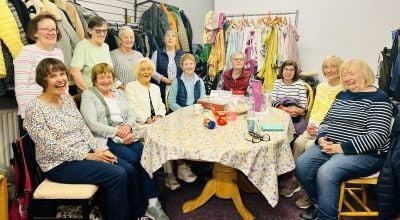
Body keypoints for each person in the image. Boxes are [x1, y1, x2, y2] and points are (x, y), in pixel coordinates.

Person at [24, 58, 140, 220]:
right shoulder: (34, 109)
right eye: (53, 76)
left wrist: (99, 149)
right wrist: (88, 155)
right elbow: (49, 146)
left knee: (128, 168)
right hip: (59, 164)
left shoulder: (66, 100)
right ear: (43, 81)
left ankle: (136, 215)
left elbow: (83, 129)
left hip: (84, 152)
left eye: (62, 74)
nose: (60, 79)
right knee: (117, 174)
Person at [295, 59, 393, 220]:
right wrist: (321, 139)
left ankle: (327, 217)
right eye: (344, 74)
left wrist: (341, 148)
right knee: (302, 165)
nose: (347, 78)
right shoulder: (342, 94)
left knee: (326, 172)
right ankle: (319, 204)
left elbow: (378, 136)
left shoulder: (379, 98)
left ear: (365, 75)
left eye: (352, 73)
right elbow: (327, 121)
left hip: (367, 154)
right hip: (331, 146)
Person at [80, 63, 169, 220]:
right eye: (101, 77)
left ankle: (153, 203)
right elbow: (91, 124)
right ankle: (140, 204)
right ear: (94, 80)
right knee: (134, 160)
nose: (106, 80)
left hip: (126, 133)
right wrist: (117, 131)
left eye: (109, 76)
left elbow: (131, 114)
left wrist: (127, 126)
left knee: (146, 155)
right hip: (105, 138)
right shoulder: (89, 95)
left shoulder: (119, 93)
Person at [279, 55, 344, 209]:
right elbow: (316, 109)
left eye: (333, 66)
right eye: (326, 67)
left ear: (340, 68)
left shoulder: (345, 88)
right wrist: (312, 124)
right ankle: (296, 179)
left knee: (309, 147)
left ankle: (308, 192)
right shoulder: (321, 87)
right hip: (316, 127)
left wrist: (321, 127)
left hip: (331, 131)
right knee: (299, 143)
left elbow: (338, 115)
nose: (329, 70)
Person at [125, 58, 197, 190]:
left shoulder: (155, 88)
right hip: (140, 125)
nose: (147, 72)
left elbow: (161, 106)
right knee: (164, 136)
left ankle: (180, 166)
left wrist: (159, 116)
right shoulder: (131, 87)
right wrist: (147, 119)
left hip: (158, 122)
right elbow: (132, 108)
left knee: (176, 130)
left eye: (149, 69)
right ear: (137, 71)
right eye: (143, 69)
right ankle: (170, 174)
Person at [14, 12, 64, 134]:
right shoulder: (27, 52)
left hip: (56, 113)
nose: (51, 32)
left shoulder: (59, 53)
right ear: (35, 33)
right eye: (45, 29)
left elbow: (62, 85)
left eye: (53, 29)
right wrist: (28, 116)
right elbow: (21, 88)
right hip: (36, 114)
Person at [70, 16, 113, 92]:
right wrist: (89, 93)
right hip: (90, 93)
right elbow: (74, 71)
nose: (102, 34)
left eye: (104, 31)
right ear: (90, 31)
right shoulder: (82, 46)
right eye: (98, 31)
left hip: (106, 91)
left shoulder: (106, 46)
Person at [271, 60, 308, 136]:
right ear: (282, 71)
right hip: (280, 112)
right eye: (286, 69)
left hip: (295, 115)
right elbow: (272, 101)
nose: (288, 72)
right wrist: (285, 109)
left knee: (298, 129)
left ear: (295, 72)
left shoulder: (300, 84)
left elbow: (304, 106)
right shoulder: (277, 83)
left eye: (292, 70)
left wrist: (297, 111)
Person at [151, 29, 185, 102]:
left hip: (179, 90)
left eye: (173, 36)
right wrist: (164, 80)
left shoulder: (182, 55)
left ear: (176, 41)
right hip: (161, 90)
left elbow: (186, 71)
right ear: (164, 39)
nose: (170, 38)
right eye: (168, 36)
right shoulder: (157, 53)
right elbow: (151, 71)